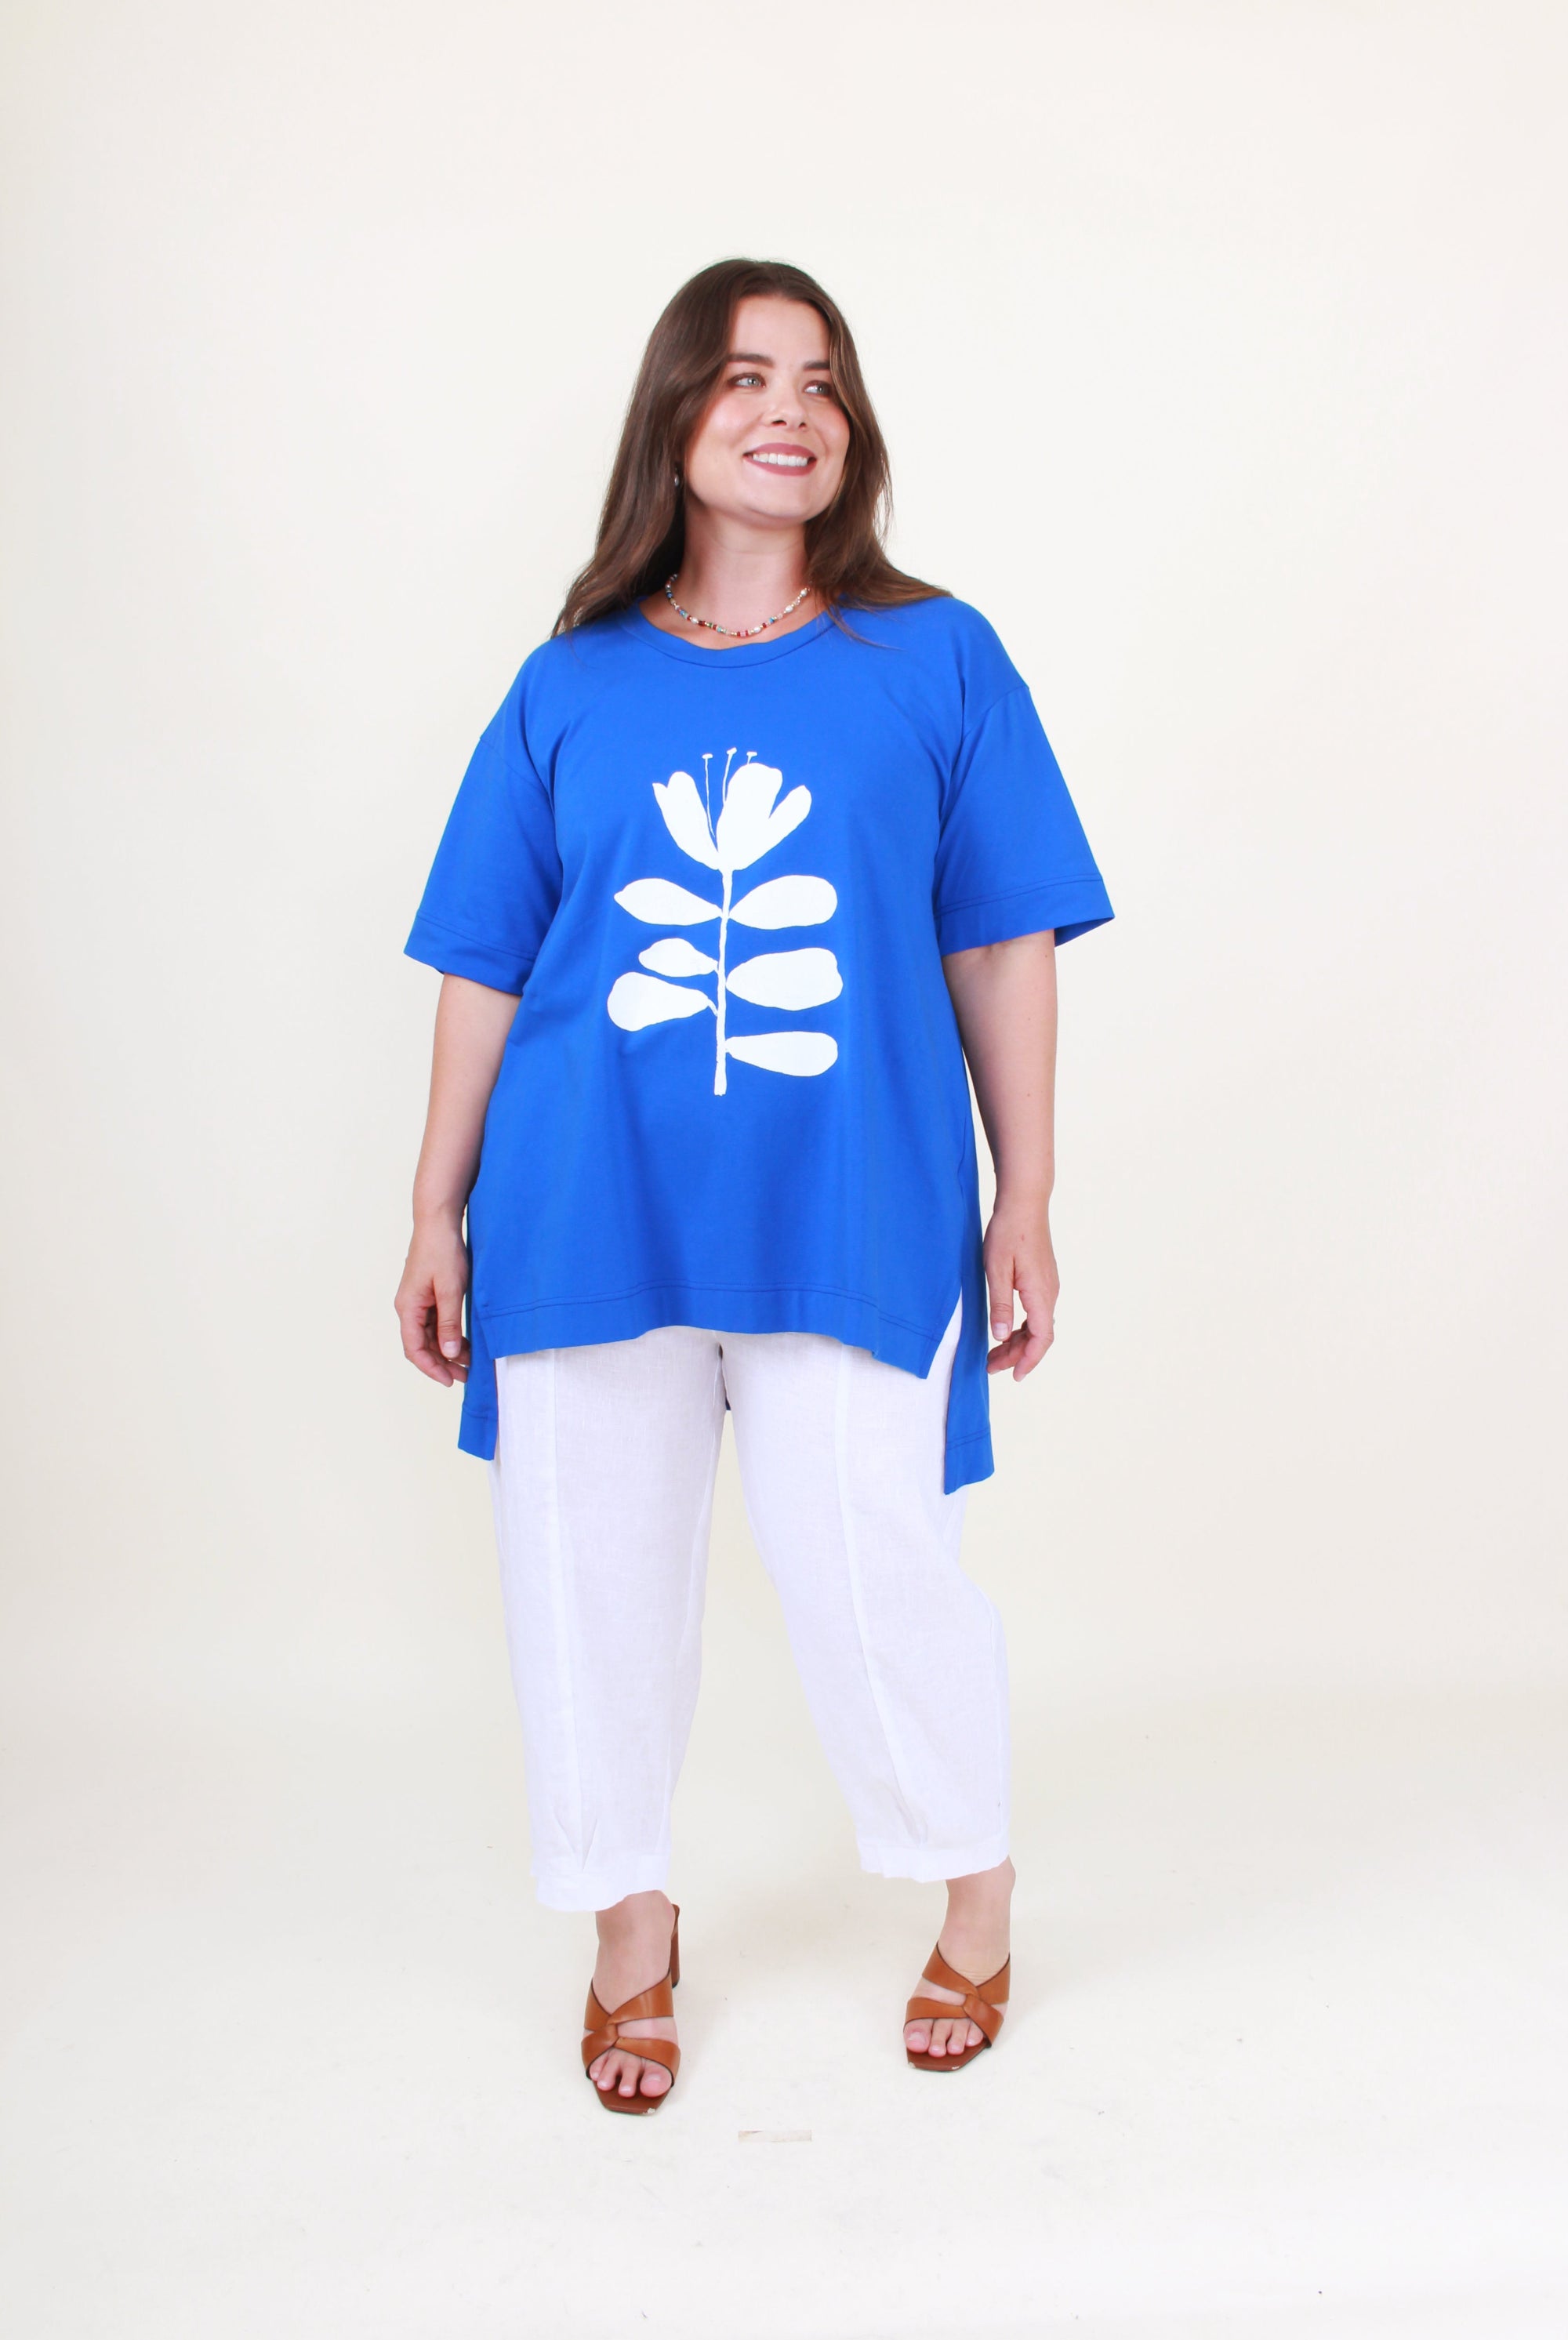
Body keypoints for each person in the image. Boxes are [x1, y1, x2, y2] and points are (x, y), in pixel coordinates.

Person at [395, 258, 1112, 2114]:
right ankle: (629, 1926)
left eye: (819, 380)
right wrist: (428, 1207)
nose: (788, 408)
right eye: (741, 377)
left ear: (849, 430)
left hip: (852, 1200)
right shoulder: (569, 684)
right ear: (675, 421)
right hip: (580, 1201)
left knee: (872, 1564)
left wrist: (1025, 1194)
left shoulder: (934, 655)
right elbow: (487, 954)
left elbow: (1004, 932)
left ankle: (976, 1877)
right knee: (584, 1580)